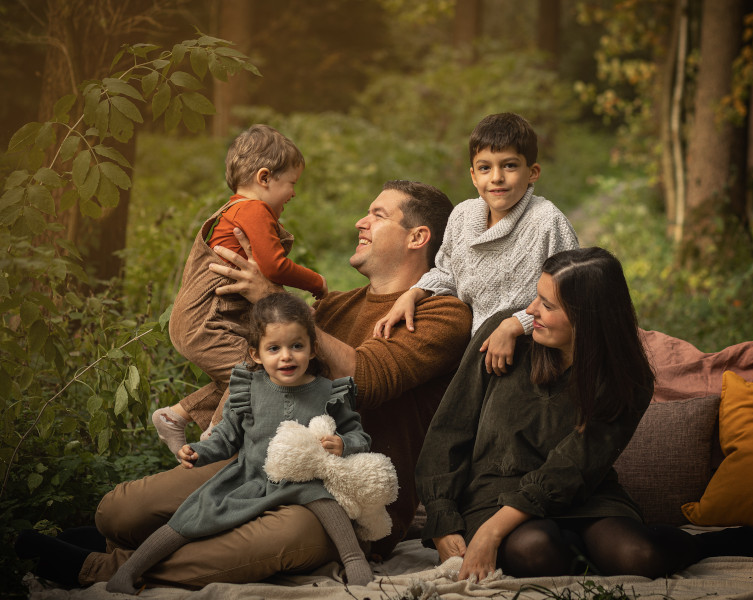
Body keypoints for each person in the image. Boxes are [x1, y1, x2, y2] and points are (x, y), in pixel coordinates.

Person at [14, 181, 472, 590]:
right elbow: (264, 373)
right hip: (257, 466)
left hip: (340, 498)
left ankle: (99, 568)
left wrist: (276, 300)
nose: (361, 221)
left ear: (418, 237)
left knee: (282, 538)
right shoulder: (334, 307)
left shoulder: (443, 314)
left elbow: (366, 381)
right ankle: (120, 544)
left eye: (377, 214)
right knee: (117, 512)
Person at [415, 247, 753, 583]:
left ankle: (703, 545)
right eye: (536, 296)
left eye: (547, 305)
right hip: (493, 493)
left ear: (588, 319)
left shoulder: (626, 379)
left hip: (581, 494)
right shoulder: (504, 337)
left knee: (639, 557)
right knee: (535, 549)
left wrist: (492, 534)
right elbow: (448, 430)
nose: (530, 311)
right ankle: (576, 549)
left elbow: (573, 468)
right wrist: (443, 519)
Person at [102, 292, 374, 593]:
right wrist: (199, 452)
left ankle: (354, 560)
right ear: (256, 354)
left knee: (328, 503)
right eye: (274, 348)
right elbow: (226, 436)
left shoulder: (328, 392)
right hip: (248, 475)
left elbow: (358, 435)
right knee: (194, 514)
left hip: (303, 479)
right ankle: (128, 571)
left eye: (297, 346)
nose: (287, 356)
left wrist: (342, 443)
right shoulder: (249, 388)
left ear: (312, 349)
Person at [152, 124, 327, 457]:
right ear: (264, 178)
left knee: (235, 374)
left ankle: (175, 415)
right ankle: (215, 439)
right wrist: (317, 282)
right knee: (257, 370)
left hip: (199, 321)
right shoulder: (253, 210)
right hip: (207, 323)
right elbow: (274, 266)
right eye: (291, 183)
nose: (293, 193)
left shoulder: (231, 210)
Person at [374, 113, 578, 376]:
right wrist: (413, 293)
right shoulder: (462, 216)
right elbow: (448, 273)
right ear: (473, 175)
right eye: (485, 168)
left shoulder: (547, 222)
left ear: (533, 172)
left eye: (510, 166)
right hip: (475, 350)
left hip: (535, 352)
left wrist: (515, 325)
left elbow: (571, 298)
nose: (496, 177)